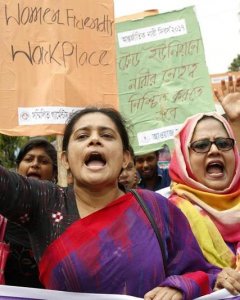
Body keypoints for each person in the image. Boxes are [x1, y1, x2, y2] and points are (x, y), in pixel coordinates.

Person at [0, 107, 227, 299]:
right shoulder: (44, 203)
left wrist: (180, 287)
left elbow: (204, 274)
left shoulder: (156, 208)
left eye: (107, 135)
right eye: (82, 136)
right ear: (65, 159)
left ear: (126, 157)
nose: (94, 140)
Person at [168, 111, 240, 295]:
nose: (214, 150)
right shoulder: (168, 216)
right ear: (184, 158)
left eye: (224, 143)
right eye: (201, 145)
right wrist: (212, 279)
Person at [4, 137, 57, 288]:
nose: (35, 164)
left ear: (54, 173)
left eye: (43, 161)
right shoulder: (2, 210)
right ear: (17, 166)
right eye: (29, 159)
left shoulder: (63, 213)